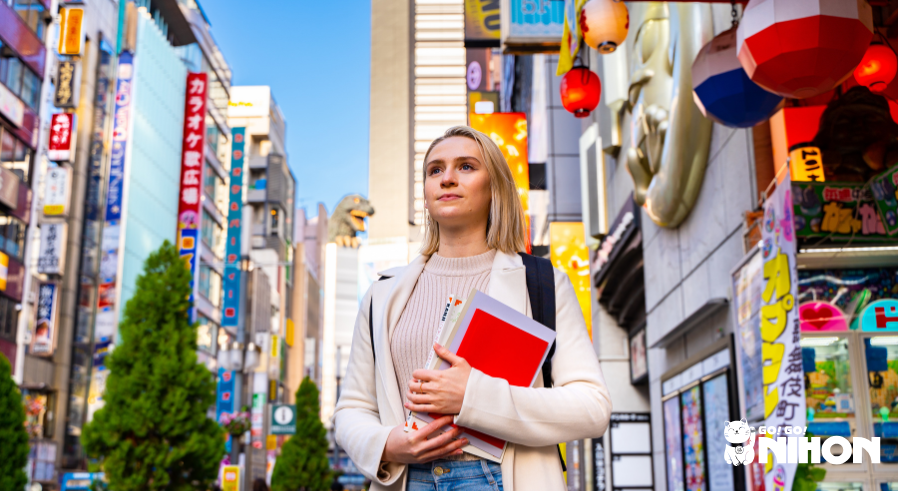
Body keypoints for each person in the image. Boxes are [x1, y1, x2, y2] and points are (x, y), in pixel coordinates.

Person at [334, 126, 612, 491]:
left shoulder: (541, 282)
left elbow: (591, 407)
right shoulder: (381, 295)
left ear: (494, 187)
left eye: (466, 166)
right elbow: (352, 410)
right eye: (435, 170)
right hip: (406, 477)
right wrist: (389, 445)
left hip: (503, 478)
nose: (447, 178)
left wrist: (473, 397)